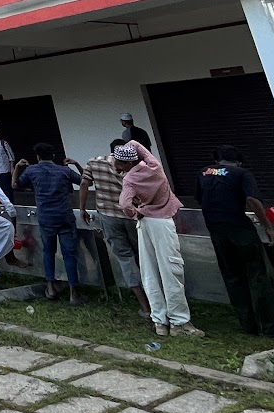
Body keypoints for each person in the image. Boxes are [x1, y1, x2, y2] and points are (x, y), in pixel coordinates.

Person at [114, 141, 204, 338]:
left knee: (149, 272)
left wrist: (134, 213)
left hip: (144, 222)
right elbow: (140, 147)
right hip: (162, 222)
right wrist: (130, 144)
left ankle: (160, 321)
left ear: (124, 163)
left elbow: (124, 204)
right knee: (172, 270)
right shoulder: (154, 168)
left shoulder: (129, 179)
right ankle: (179, 322)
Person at [197, 145, 274, 338]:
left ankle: (248, 327)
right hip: (240, 229)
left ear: (218, 160)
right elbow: (252, 200)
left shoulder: (203, 172)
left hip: (216, 230)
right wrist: (268, 227)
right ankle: (269, 328)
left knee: (233, 278)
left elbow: (201, 199)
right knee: (257, 276)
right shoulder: (242, 173)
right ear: (238, 161)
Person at [80, 141, 152, 318]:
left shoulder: (94, 162)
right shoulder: (135, 165)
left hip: (108, 216)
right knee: (144, 256)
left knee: (125, 259)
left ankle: (145, 307)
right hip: (133, 215)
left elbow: (84, 184)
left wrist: (82, 208)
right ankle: (156, 299)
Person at [15, 143, 85, 304]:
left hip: (46, 218)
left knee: (48, 252)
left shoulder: (31, 170)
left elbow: (15, 185)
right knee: (69, 254)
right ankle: (74, 292)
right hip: (65, 217)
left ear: (38, 157)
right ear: (53, 156)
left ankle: (50, 287)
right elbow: (85, 182)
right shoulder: (64, 171)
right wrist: (76, 164)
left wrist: (18, 167)